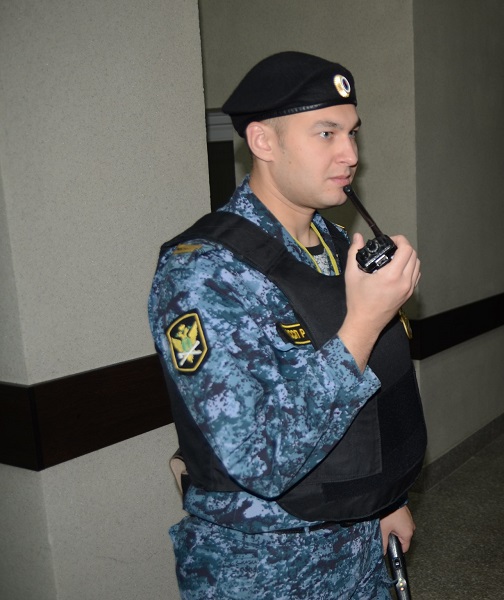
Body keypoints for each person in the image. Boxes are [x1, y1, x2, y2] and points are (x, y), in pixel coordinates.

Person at [148, 51, 425, 599]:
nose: (350, 155)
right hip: (264, 567)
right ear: (264, 142)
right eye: (326, 133)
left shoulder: (335, 245)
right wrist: (364, 323)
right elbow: (262, 457)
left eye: (352, 133)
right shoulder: (203, 271)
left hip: (357, 541)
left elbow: (372, 400)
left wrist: (387, 500)